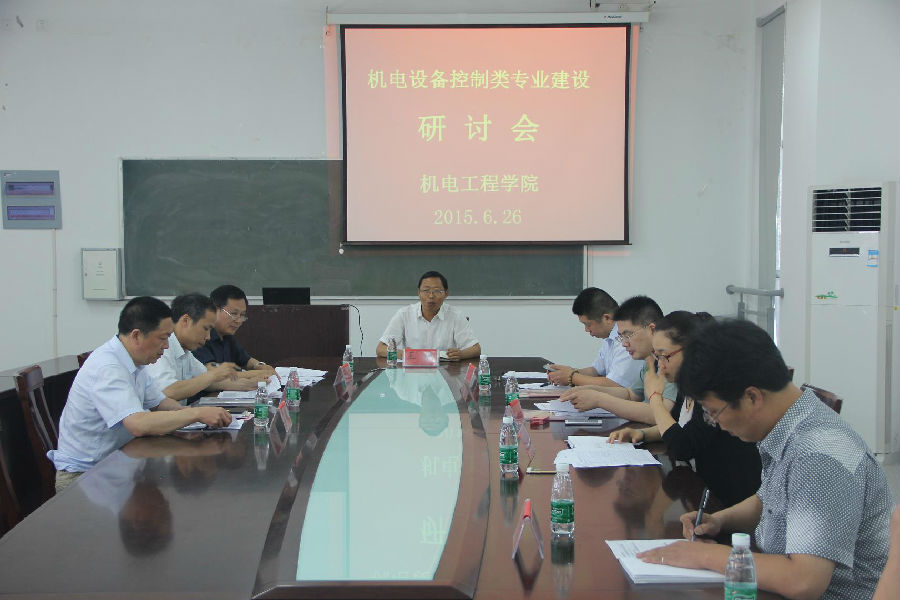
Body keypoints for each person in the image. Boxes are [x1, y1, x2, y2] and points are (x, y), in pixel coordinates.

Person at [635, 320, 892, 600]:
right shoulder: (791, 424)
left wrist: (704, 555)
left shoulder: (818, 455)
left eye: (713, 412)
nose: (716, 423)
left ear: (752, 397)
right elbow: (770, 500)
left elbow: (804, 581)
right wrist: (720, 520)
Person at [49, 297, 231, 491]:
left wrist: (199, 415)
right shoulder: (108, 367)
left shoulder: (135, 362)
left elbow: (160, 403)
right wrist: (195, 414)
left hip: (119, 465)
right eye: (162, 338)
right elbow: (138, 424)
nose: (167, 346)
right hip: (85, 476)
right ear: (136, 336)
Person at [608, 311, 761, 507]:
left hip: (729, 500)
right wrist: (643, 434)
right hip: (703, 490)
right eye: (657, 356)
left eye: (664, 356)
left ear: (691, 351)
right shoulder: (688, 384)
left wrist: (655, 398)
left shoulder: (713, 391)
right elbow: (678, 429)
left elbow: (682, 447)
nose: (660, 366)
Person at [560, 295, 677, 424]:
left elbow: (660, 414)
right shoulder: (650, 360)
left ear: (652, 329)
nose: (624, 344)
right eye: (621, 337)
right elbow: (631, 394)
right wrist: (590, 390)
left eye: (628, 335)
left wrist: (599, 399)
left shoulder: (671, 361)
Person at [145, 293, 257, 402]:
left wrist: (254, 383)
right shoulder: (163, 347)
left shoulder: (185, 351)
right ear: (185, 320)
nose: (208, 337)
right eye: (206, 328)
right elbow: (168, 391)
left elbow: (209, 382)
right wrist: (213, 375)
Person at [546, 287, 643, 389]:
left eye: (588, 324)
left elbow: (615, 384)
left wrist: (571, 377)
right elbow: (596, 371)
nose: (586, 330)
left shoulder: (627, 340)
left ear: (607, 318)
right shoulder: (610, 337)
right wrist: (569, 372)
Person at [376, 271, 480, 361]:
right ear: (419, 293)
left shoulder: (455, 315)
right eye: (426, 291)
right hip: (413, 371)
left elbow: (475, 349)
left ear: (446, 293)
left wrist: (461, 354)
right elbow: (381, 349)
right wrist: (405, 354)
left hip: (446, 371)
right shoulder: (404, 314)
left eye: (437, 291)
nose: (431, 296)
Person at [192, 285, 276, 380]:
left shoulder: (227, 336)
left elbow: (247, 361)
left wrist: (260, 365)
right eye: (234, 314)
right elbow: (214, 374)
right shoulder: (201, 337)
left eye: (242, 315)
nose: (239, 320)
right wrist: (260, 373)